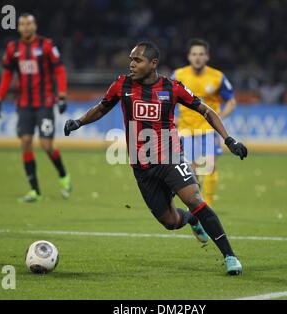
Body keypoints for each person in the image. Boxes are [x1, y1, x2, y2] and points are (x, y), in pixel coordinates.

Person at [64, 41, 248, 275]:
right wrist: (79, 122)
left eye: (137, 60)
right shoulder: (122, 85)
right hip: (142, 166)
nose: (131, 64)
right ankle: (192, 219)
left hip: (171, 157)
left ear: (153, 64)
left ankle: (230, 256)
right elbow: (101, 108)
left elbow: (206, 111)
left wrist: (229, 139)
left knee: (194, 198)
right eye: (131, 59)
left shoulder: (172, 88)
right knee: (170, 222)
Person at [0, 13, 72, 202]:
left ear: (35, 26)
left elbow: (59, 70)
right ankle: (34, 190)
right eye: (22, 24)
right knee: (26, 143)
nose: (26, 27)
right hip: (24, 104)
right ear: (18, 27)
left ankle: (64, 176)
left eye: (29, 24)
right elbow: (6, 75)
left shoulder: (46, 45)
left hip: (45, 103)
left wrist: (62, 96)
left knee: (46, 145)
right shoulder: (12, 48)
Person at [172, 39, 237, 207]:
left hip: (208, 129)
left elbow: (231, 101)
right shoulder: (178, 75)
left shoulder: (217, 77)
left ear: (207, 57)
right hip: (186, 129)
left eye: (201, 54)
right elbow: (165, 98)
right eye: (194, 54)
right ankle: (197, 204)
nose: (197, 57)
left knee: (210, 166)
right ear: (188, 56)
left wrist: (219, 117)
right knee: (192, 171)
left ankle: (209, 204)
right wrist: (171, 119)